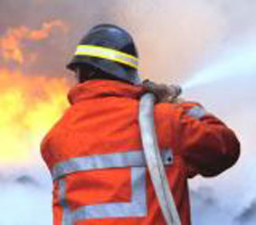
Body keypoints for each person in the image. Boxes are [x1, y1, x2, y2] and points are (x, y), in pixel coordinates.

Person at [40, 24, 240, 225]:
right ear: (128, 75)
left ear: (83, 74)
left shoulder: (55, 139)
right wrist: (178, 105)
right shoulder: (164, 121)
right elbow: (226, 148)